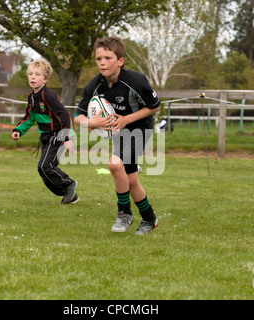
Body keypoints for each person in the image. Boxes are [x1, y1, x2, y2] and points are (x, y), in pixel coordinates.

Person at [74, 37, 161, 235]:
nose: (102, 62)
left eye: (107, 57)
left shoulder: (136, 80)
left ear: (120, 61)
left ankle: (124, 213)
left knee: (114, 164)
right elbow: (78, 117)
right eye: (98, 59)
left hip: (139, 127)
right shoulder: (95, 85)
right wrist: (92, 123)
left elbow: (155, 106)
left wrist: (126, 119)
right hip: (119, 131)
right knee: (130, 181)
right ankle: (149, 219)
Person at [12, 59, 78, 204]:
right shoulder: (32, 97)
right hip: (46, 137)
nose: (32, 77)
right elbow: (29, 117)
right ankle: (69, 193)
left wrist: (67, 137)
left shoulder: (47, 95)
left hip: (58, 135)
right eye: (30, 74)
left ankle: (69, 184)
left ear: (46, 79)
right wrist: (18, 129)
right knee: (43, 170)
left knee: (45, 166)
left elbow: (64, 114)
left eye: (37, 74)